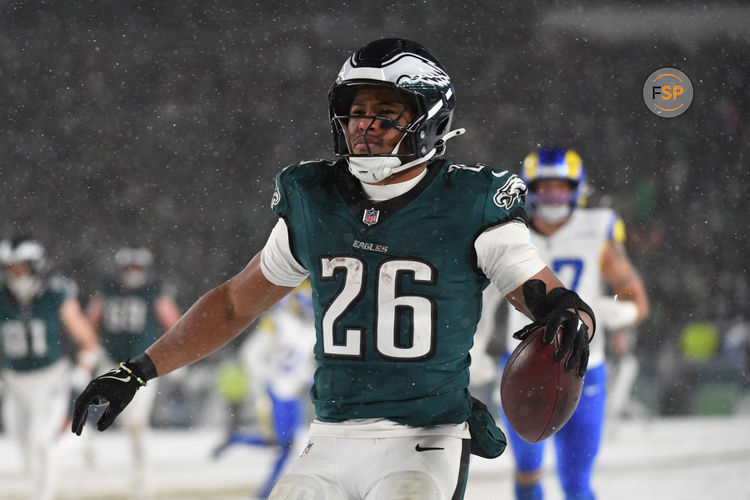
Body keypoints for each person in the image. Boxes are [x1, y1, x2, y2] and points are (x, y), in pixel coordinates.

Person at [72, 38, 596, 500]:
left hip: (426, 440)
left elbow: (550, 298)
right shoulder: (315, 198)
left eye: (386, 111)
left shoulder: (471, 202)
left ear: (428, 117)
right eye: (356, 109)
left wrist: (574, 319)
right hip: (328, 437)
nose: (365, 124)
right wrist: (137, 369)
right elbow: (234, 304)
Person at [480, 147, 649, 500]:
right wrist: (477, 346)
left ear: (577, 189)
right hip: (522, 362)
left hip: (583, 366)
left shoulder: (597, 228)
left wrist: (623, 313)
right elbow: (486, 297)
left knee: (576, 481)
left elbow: (635, 297)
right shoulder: (509, 229)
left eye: (561, 187)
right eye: (545, 187)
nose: (553, 196)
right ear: (529, 189)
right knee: (527, 471)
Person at [0, 236, 99, 500]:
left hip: (50, 377)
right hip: (14, 381)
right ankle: (77, 441)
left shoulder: (55, 294)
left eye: (22, 266)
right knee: (24, 448)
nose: (16, 273)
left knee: (42, 442)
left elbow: (87, 339)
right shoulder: (2, 298)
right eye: (11, 267)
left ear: (36, 266)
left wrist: (82, 369)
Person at [84, 246, 181, 495]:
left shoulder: (155, 292)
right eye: (129, 268)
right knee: (95, 408)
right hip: (111, 360)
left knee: (135, 421)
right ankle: (90, 452)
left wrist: (178, 356)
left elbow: (176, 324)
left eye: (137, 268)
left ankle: (143, 472)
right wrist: (89, 352)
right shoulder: (107, 291)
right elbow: (90, 323)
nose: (133, 273)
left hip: (142, 363)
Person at [213, 280, 316, 499]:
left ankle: (235, 439)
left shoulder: (310, 328)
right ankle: (264, 494)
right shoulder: (278, 321)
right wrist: (265, 381)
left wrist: (307, 379)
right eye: (305, 300)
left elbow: (304, 364)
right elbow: (250, 354)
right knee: (283, 446)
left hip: (291, 393)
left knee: (284, 444)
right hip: (276, 391)